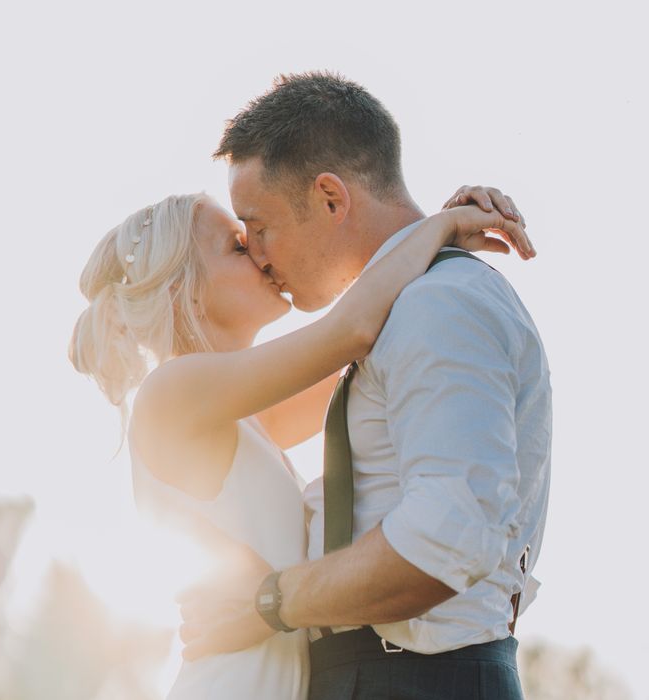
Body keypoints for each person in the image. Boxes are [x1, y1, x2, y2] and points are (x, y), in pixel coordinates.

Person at [69, 183, 533, 697]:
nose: (265, 257)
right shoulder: (171, 394)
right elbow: (353, 329)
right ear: (186, 288)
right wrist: (437, 229)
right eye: (240, 248)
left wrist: (435, 247)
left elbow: (376, 354)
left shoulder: (243, 418)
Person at [179, 72, 551, 700]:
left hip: (418, 680)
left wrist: (268, 603)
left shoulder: (443, 306)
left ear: (330, 198)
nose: (258, 253)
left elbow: (444, 536)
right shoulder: (397, 315)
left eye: (259, 226)